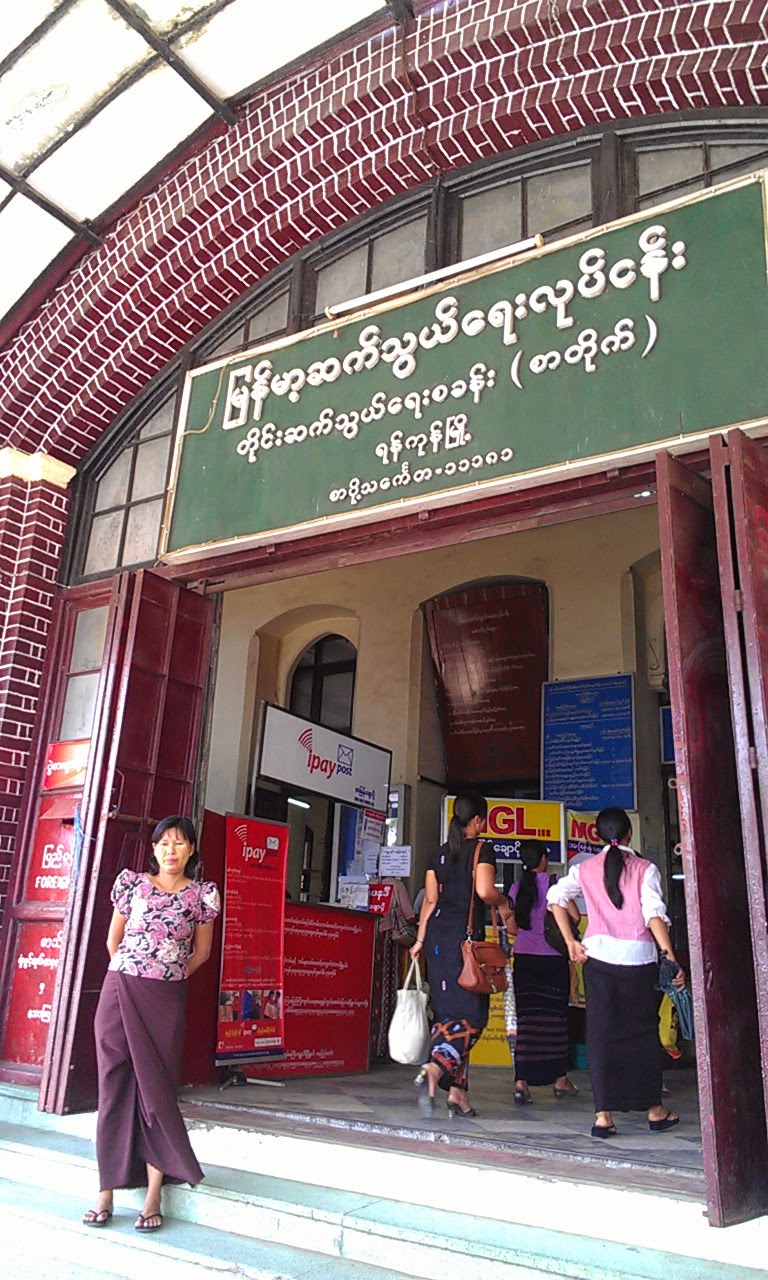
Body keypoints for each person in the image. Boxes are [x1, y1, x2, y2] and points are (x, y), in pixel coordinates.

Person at [82, 815, 220, 1232]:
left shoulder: (202, 895)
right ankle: (105, 1190)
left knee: (156, 1089)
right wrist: (132, 972)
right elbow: (113, 940)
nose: (170, 851)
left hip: (165, 997)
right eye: (163, 844)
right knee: (114, 1083)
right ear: (154, 849)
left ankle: (153, 1195)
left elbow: (201, 953)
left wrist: (167, 973)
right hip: (120, 989)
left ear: (192, 850)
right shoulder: (132, 885)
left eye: (179, 844)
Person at [546, 805, 685, 1138]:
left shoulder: (585, 869)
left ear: (597, 836)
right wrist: (670, 957)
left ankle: (603, 1117)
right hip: (638, 961)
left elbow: (555, 898)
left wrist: (571, 942)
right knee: (641, 1035)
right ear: (629, 834)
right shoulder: (645, 868)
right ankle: (654, 1110)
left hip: (598, 961)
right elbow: (653, 915)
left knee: (601, 1035)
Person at [410, 790, 513, 1118]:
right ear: (479, 820)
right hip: (463, 941)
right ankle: (436, 1068)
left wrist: (420, 940)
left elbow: (429, 901)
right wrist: (503, 903)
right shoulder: (483, 849)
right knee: (473, 1017)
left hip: (437, 940)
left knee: (449, 1017)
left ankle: (458, 1094)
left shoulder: (438, 855)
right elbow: (484, 891)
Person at [507, 839, 579, 1105]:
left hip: (524, 960)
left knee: (527, 1022)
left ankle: (520, 1082)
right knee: (555, 1021)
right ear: (543, 860)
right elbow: (574, 917)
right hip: (551, 961)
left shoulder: (516, 888)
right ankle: (560, 1080)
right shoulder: (554, 885)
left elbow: (514, 929)